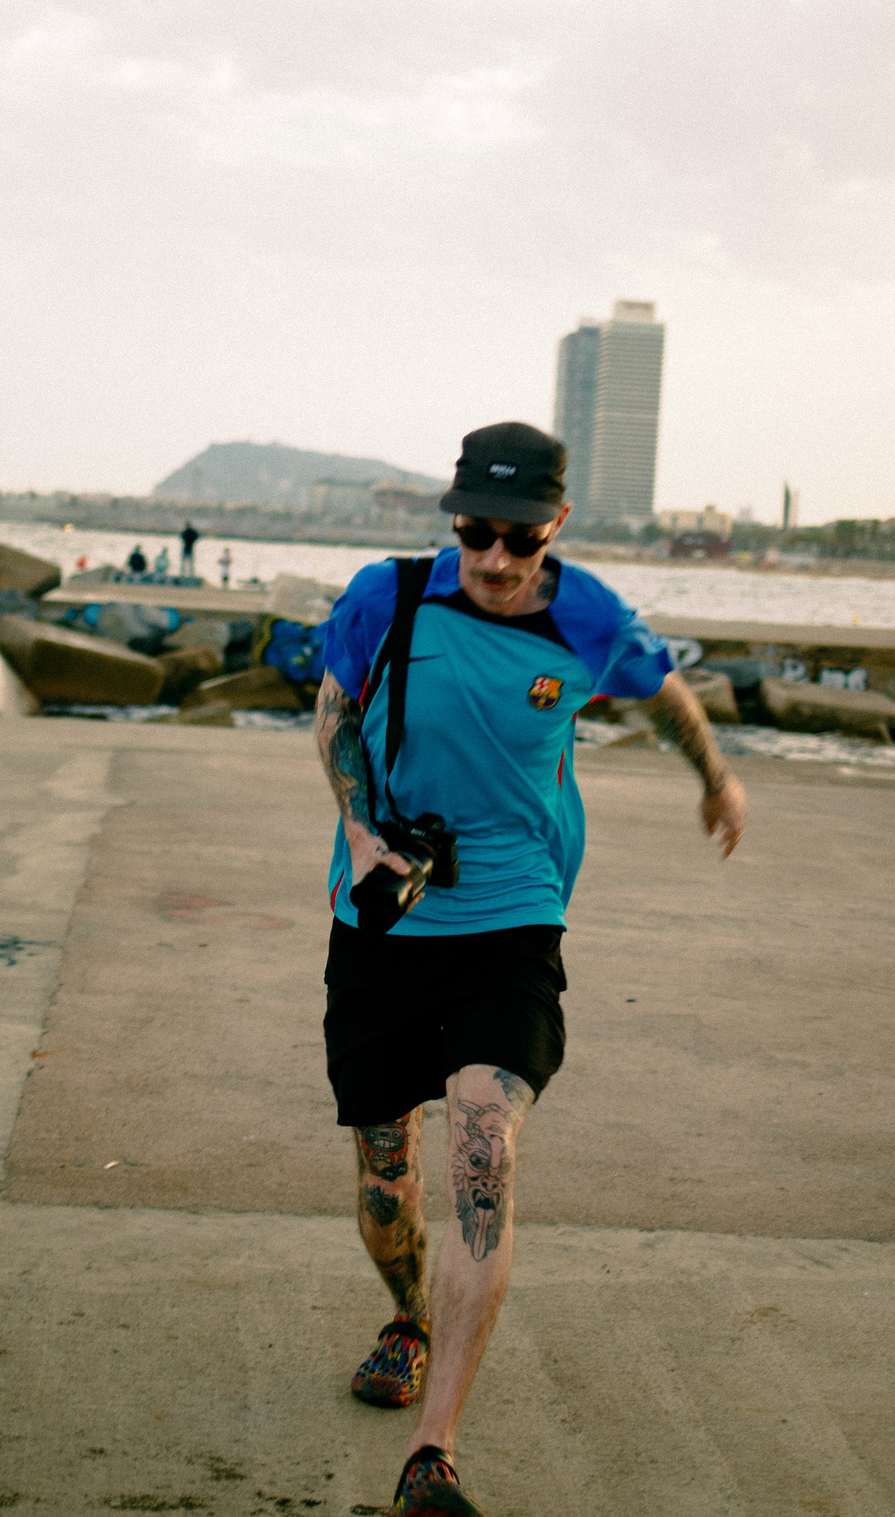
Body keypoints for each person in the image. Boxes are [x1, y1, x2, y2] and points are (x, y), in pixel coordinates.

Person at [313, 421, 745, 1517]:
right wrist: (362, 834)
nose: (495, 561)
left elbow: (667, 693)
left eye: (518, 539)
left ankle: (434, 1451)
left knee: (480, 1145)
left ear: (556, 526)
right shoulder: (390, 595)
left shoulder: (588, 614)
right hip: (382, 921)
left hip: (513, 914)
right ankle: (406, 1318)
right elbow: (334, 715)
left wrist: (714, 779)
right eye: (474, 534)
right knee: (382, 1169)